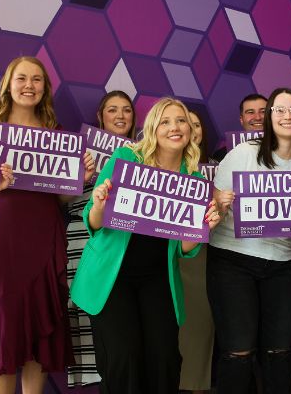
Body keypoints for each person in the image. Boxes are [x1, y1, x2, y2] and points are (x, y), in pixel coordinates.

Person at [70, 97, 220, 393]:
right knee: (123, 359)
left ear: (190, 130)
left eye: (180, 121)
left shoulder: (193, 178)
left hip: (157, 279)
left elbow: (184, 249)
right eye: (165, 121)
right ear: (153, 128)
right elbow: (93, 222)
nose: (174, 127)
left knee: (164, 360)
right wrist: (99, 203)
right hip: (111, 279)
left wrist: (205, 228)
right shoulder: (126, 159)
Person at [0, 56, 93, 394]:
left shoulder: (59, 138)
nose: (29, 85)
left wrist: (80, 181)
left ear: (45, 88)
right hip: (0, 235)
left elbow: (62, 200)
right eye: (21, 78)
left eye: (36, 79)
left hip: (44, 235)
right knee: (2, 320)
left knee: (42, 322)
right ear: (8, 84)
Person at [208, 87, 291, 394]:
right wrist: (220, 201)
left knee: (279, 352)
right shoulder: (242, 153)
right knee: (238, 352)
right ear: (269, 118)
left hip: (279, 264)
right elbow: (212, 202)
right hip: (231, 261)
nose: (287, 116)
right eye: (279, 110)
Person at [64, 90, 135, 387]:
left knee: (122, 331)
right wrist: (83, 177)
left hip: (122, 246)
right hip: (82, 239)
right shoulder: (82, 152)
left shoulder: (144, 154)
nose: (120, 116)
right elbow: (60, 199)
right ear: (100, 117)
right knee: (87, 320)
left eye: (126, 110)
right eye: (112, 110)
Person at [178, 109, 217, 394]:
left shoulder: (219, 168)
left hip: (203, 259)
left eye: (195, 123)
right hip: (167, 257)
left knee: (199, 332)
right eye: (184, 122)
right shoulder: (160, 169)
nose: (190, 128)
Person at [212, 94, 267, 161]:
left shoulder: (283, 149)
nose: (258, 117)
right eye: (250, 112)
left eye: (263, 112)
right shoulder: (222, 155)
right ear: (241, 120)